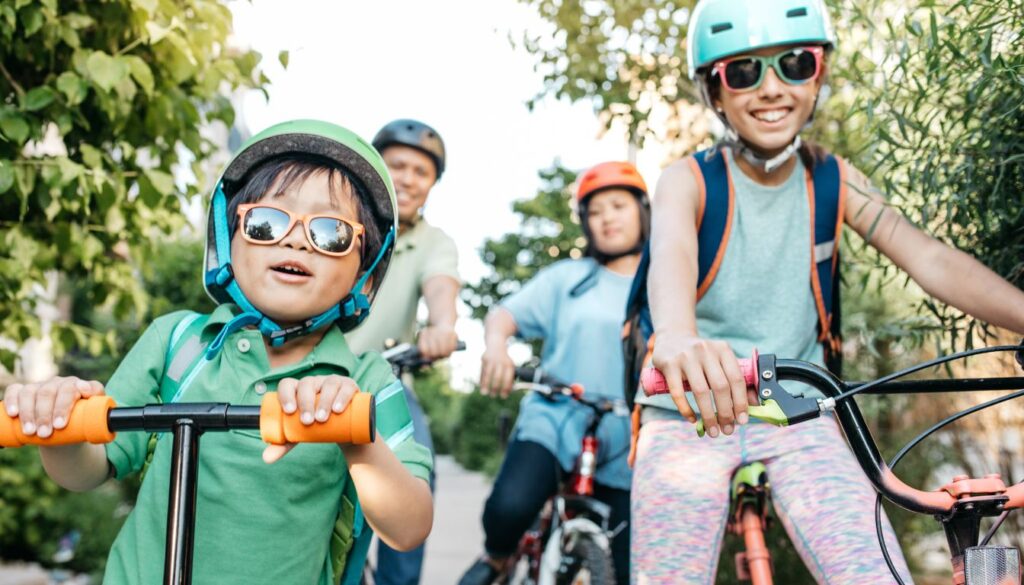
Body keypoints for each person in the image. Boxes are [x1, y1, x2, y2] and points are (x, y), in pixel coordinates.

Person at [631, 1, 1024, 583]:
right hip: (687, 413)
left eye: (794, 63)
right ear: (715, 91)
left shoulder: (834, 178)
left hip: (797, 413)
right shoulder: (685, 181)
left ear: (818, 74)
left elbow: (931, 259)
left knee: (876, 573)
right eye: (742, 72)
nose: (770, 88)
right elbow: (669, 261)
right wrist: (679, 339)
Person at [2, 120, 435, 585]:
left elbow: (408, 528)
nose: (293, 240)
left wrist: (358, 440)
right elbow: (88, 470)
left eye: (329, 234)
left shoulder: (364, 382)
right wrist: (60, 427)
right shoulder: (178, 343)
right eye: (265, 223)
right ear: (228, 242)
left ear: (365, 275)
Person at [458, 162, 650, 585]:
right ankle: (496, 561)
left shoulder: (664, 284)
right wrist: (496, 347)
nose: (608, 218)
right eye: (596, 211)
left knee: (630, 564)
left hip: (631, 434)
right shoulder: (567, 279)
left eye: (618, 206)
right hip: (556, 417)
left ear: (643, 212)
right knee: (509, 510)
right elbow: (504, 316)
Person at [345, 118, 460, 585]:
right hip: (307, 370)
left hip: (384, 382)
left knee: (415, 478)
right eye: (396, 166)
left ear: (433, 183)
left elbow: (441, 288)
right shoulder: (342, 224)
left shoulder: (433, 241)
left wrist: (443, 326)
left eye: (421, 171)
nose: (408, 179)